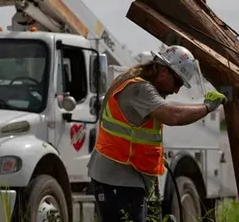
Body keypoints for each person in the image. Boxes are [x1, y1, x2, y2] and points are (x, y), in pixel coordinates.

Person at [88, 45, 228, 222]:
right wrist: (207, 107)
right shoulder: (139, 88)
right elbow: (173, 116)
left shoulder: (133, 81)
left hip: (121, 176)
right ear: (163, 71)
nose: (176, 90)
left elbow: (134, 132)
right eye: (177, 82)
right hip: (118, 178)